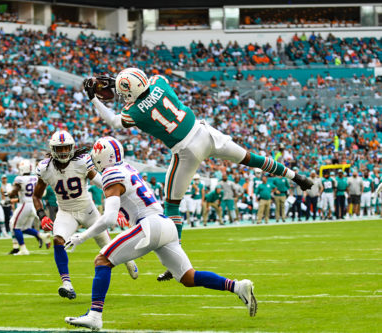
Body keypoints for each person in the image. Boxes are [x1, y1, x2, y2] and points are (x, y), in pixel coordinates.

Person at [84, 70, 313, 281]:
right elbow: (146, 85)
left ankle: (175, 261)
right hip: (205, 133)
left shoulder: (135, 111)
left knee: (172, 205)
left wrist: (94, 99)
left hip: (186, 151)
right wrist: (120, 81)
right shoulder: (158, 83)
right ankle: (296, 176)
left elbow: (114, 121)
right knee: (251, 158)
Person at [64, 137, 257, 330]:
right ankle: (237, 286)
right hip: (165, 224)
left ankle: (95, 316)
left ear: (101, 156)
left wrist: (82, 236)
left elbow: (108, 219)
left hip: (149, 225)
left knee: (102, 260)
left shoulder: (111, 173)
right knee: (188, 277)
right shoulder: (127, 168)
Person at [33, 130, 138, 300]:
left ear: (72, 148)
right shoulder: (45, 168)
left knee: (107, 247)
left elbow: (102, 183)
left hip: (88, 211)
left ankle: (127, 260)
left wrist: (118, 206)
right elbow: (36, 196)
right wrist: (42, 216)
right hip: (66, 212)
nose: (63, 152)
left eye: (66, 148)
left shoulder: (81, 162)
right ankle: (67, 284)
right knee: (58, 240)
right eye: (59, 149)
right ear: (52, 150)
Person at [8, 160, 50, 255]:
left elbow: (15, 191)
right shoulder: (35, 178)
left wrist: (9, 194)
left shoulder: (20, 179)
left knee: (14, 226)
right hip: (35, 204)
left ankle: (22, 249)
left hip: (25, 204)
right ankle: (41, 235)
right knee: (24, 228)